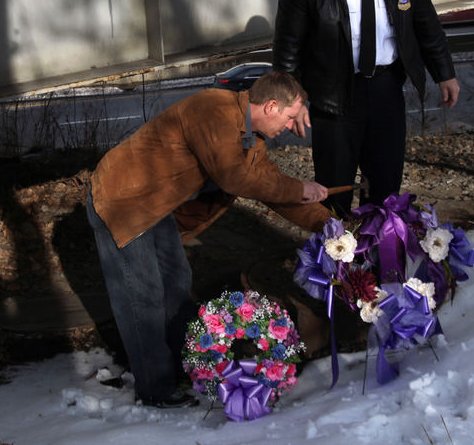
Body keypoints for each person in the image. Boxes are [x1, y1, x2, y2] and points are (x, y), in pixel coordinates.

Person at [86, 70, 330, 408]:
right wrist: (300, 187)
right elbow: (234, 178)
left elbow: (271, 189)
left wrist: (330, 226)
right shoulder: (214, 109)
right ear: (272, 106)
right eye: (290, 118)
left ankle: (187, 369)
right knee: (142, 296)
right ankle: (156, 390)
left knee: (176, 283)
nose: (291, 127)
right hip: (122, 200)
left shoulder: (251, 137)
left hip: (156, 205)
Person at [273, 0, 460, 215]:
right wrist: (289, 99)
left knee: (386, 188)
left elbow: (425, 20)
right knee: (334, 192)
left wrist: (445, 71)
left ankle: (377, 258)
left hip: (386, 88)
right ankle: (337, 259)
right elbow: (288, 45)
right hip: (332, 95)